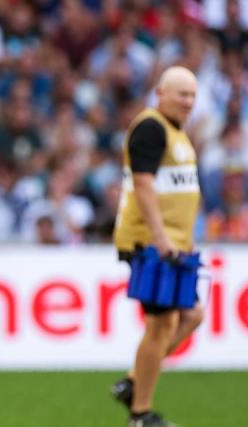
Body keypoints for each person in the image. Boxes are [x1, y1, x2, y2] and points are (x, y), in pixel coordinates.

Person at [111, 66, 204, 427]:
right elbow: (144, 186)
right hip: (150, 243)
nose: (188, 102)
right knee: (161, 324)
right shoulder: (151, 128)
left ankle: (135, 380)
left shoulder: (177, 133)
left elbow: (178, 191)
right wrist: (162, 238)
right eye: (182, 94)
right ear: (160, 93)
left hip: (174, 244)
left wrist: (185, 238)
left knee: (192, 315)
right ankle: (140, 414)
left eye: (193, 95)